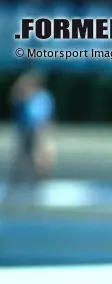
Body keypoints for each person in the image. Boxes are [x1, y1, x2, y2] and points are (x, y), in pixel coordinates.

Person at [6, 68, 56, 204]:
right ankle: (16, 184)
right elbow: (14, 96)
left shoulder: (43, 97)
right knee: (21, 159)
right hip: (25, 130)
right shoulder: (25, 96)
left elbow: (44, 118)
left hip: (39, 131)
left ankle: (41, 186)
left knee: (40, 159)